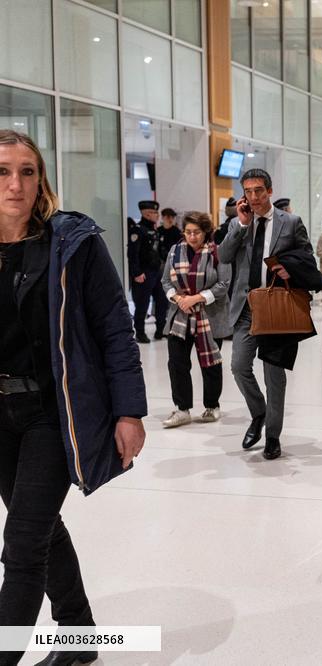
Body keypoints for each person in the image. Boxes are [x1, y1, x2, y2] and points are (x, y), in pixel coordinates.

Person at [0, 130, 146, 665]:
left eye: (27, 170)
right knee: (38, 527)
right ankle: (79, 637)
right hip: (1, 415)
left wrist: (129, 411)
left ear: (41, 180)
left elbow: (115, 329)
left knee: (21, 545)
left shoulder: (72, 241)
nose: (15, 183)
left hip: (52, 413)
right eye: (2, 171)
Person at [218, 168, 312, 461]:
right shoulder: (239, 222)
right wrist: (241, 225)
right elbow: (223, 256)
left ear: (269, 190)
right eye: (248, 191)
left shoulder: (290, 222)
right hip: (246, 308)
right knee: (238, 366)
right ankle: (258, 412)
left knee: (275, 376)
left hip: (276, 309)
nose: (254, 197)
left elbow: (307, 258)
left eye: (259, 190)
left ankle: (273, 435)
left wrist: (290, 271)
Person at [160, 211, 233, 428]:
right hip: (180, 315)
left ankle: (212, 406)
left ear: (206, 232)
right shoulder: (175, 251)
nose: (192, 237)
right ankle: (182, 409)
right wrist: (178, 298)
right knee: (177, 362)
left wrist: (196, 298)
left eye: (197, 233)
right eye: (188, 232)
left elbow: (223, 284)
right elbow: (166, 281)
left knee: (210, 363)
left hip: (209, 316)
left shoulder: (218, 253)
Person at [127, 199, 169, 342]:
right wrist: (136, 273)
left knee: (162, 302)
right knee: (142, 304)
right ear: (146, 213)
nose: (157, 215)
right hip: (144, 272)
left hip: (156, 272)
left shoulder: (155, 230)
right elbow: (133, 254)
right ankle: (140, 332)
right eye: (154, 213)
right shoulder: (138, 230)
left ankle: (160, 330)